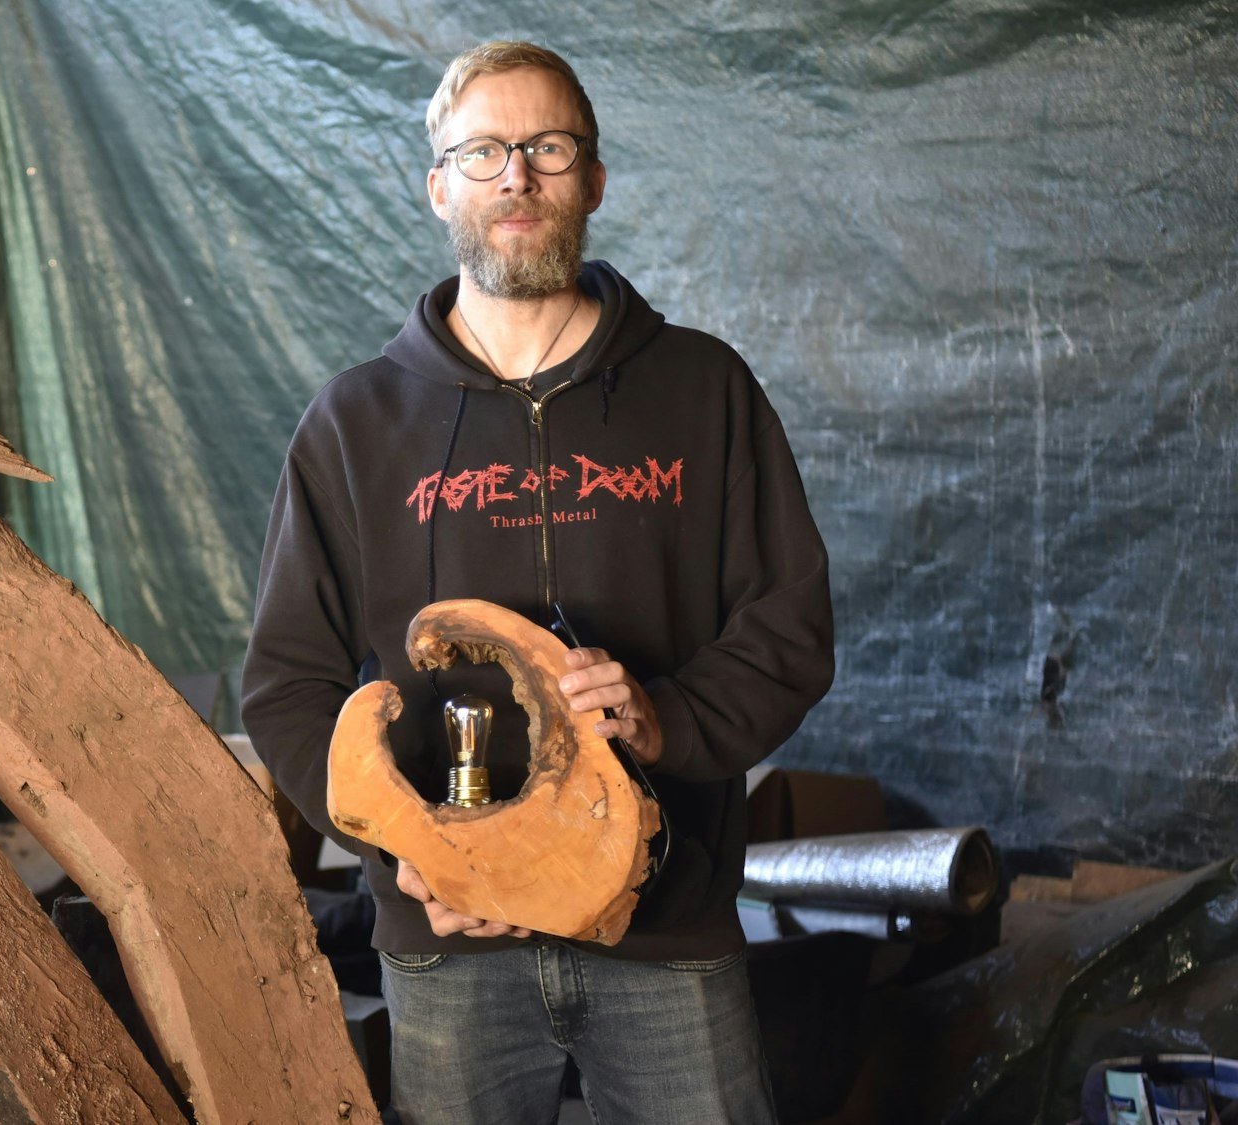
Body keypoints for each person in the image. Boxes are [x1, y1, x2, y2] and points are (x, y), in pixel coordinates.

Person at [240, 40, 835, 1125]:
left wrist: (666, 718)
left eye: (547, 147)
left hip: (666, 930)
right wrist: (402, 847)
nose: (515, 174)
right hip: (450, 942)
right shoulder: (353, 423)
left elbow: (786, 627)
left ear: (592, 179)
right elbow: (286, 684)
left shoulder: (702, 390)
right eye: (482, 152)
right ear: (439, 187)